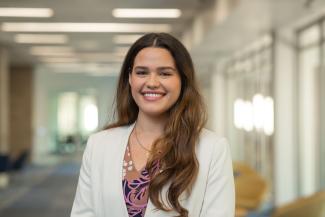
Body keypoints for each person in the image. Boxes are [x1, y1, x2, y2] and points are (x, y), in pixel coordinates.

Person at [70, 33, 235, 217]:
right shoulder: (99, 145)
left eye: (165, 73)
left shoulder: (212, 148)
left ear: (182, 79)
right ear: (130, 78)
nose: (152, 83)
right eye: (142, 72)